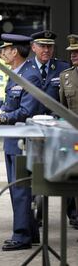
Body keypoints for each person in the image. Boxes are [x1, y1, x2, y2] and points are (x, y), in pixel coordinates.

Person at [0, 33, 41, 251]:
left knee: (20, 188)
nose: (3, 53)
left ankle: (21, 236)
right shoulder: (16, 73)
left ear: (16, 52)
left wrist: (3, 117)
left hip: (23, 141)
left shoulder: (29, 76)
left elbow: (28, 110)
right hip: (13, 140)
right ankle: (30, 231)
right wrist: (2, 111)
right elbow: (13, 104)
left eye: (6, 49)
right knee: (16, 188)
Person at [59, 34, 78, 229]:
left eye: (77, 52)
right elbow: (63, 108)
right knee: (72, 177)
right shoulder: (65, 76)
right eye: (71, 52)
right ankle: (75, 215)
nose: (73, 55)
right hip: (73, 134)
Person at [30, 30, 70, 115]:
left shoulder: (63, 68)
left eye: (49, 46)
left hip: (57, 120)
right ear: (33, 47)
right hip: (31, 120)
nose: (46, 50)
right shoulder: (25, 68)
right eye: (42, 46)